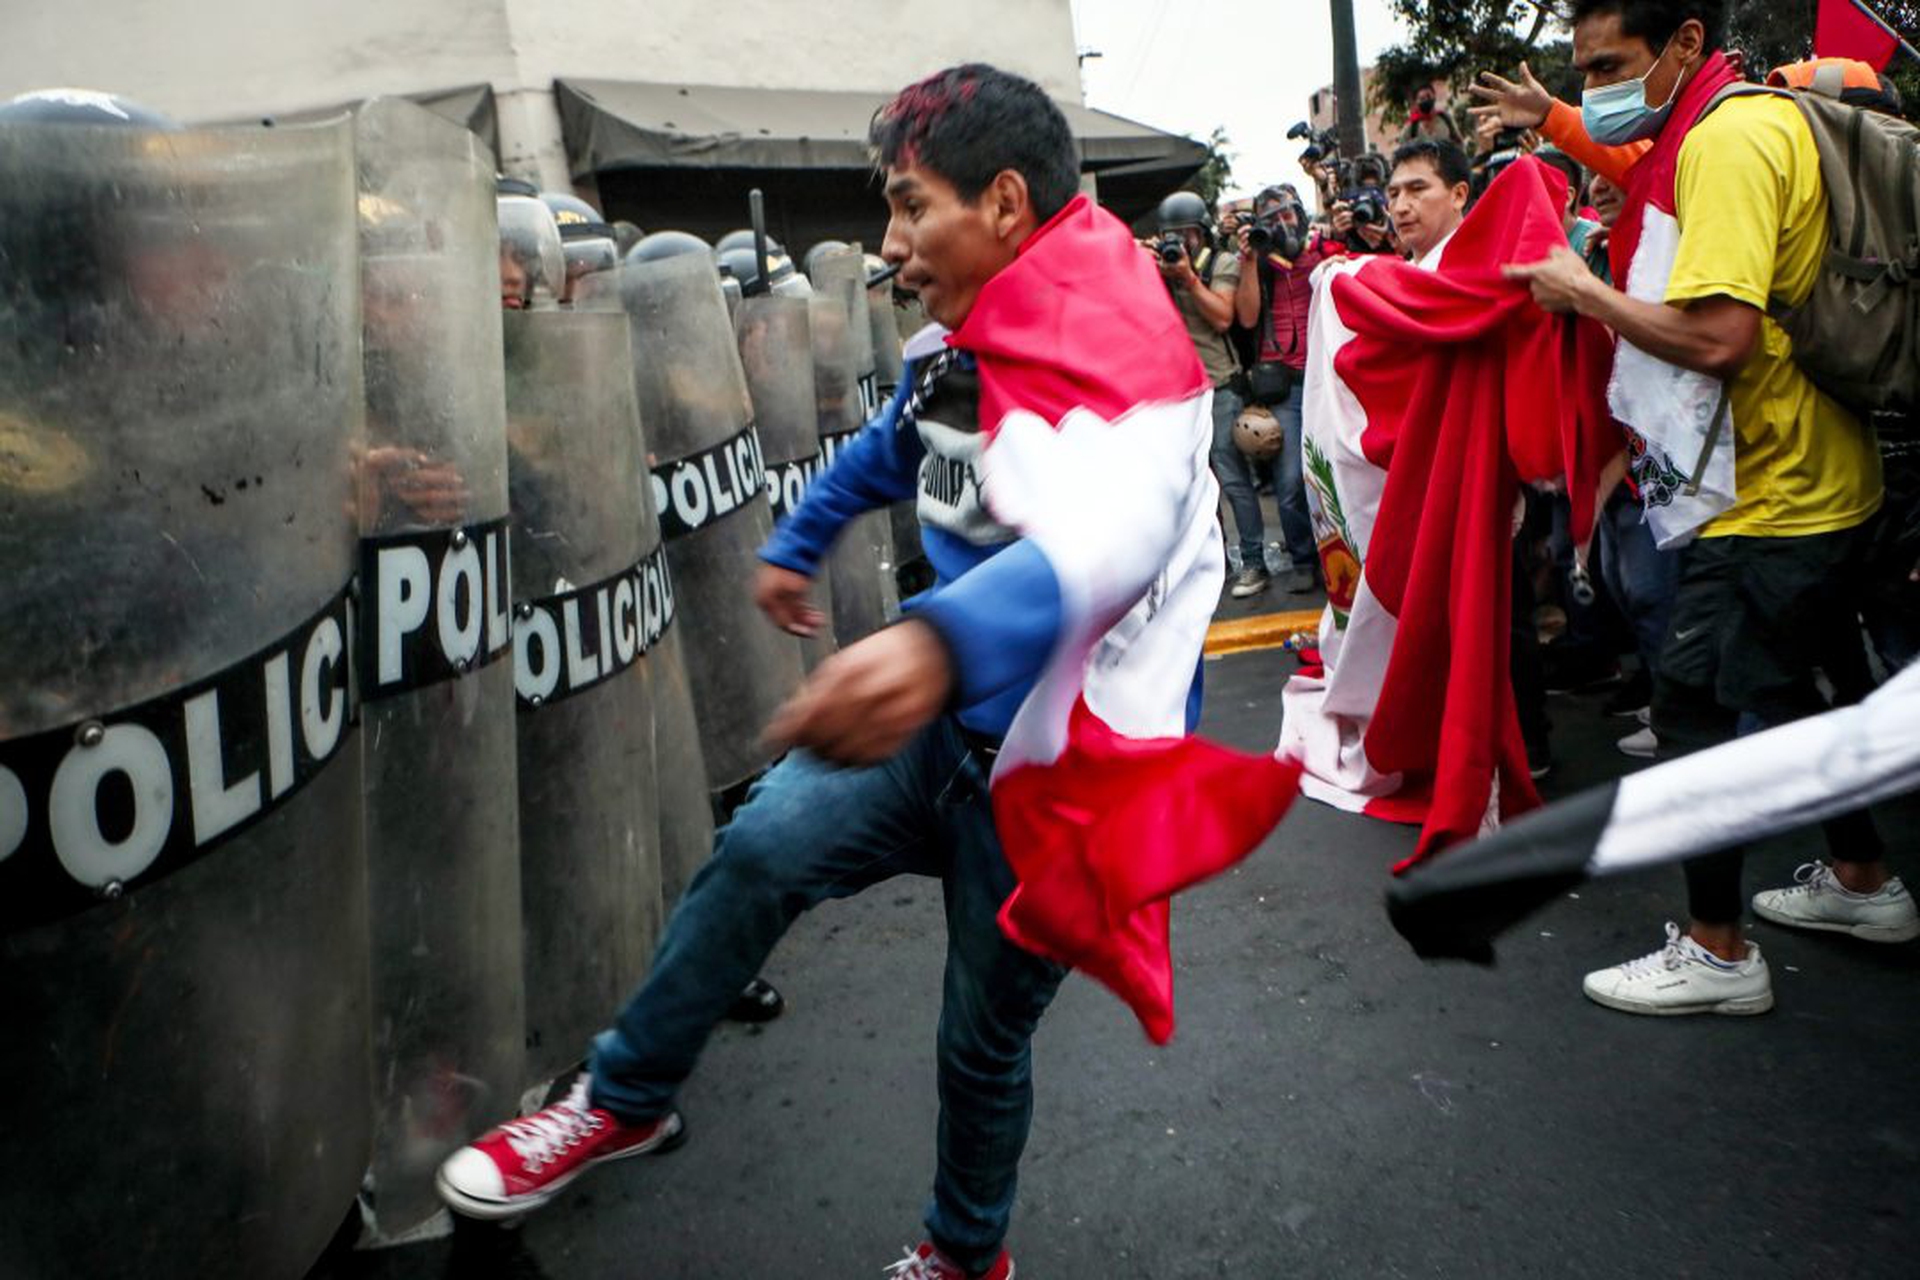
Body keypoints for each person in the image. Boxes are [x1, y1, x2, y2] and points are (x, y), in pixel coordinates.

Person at [439, 63, 1236, 1279]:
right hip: (937, 732)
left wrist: (933, 641)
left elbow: (1116, 534)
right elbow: (887, 447)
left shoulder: (1131, 349)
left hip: (1055, 782)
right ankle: (625, 1095)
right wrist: (797, 541)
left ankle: (964, 1255)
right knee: (758, 846)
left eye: (912, 206)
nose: (891, 243)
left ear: (1004, 202)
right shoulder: (956, 342)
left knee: (979, 1043)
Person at [1504, 0, 1913, 1017]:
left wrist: (1584, 292)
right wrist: (1559, 116)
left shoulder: (1726, 143)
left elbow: (1720, 338)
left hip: (1768, 496)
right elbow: (1640, 173)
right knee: (1802, 695)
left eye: (1611, 66)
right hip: (1824, 478)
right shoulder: (1736, 120)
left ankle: (1718, 950)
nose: (1597, 88)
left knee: (1690, 710)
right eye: (1585, 69)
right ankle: (1865, 882)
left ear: (1687, 43)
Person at [1234, 184, 1337, 594]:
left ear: (1300, 214)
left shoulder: (1322, 249)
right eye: (1271, 219)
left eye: (1287, 215)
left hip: (1329, 378)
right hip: (1285, 386)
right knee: (1291, 481)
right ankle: (1303, 559)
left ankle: (1348, 557)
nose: (1281, 225)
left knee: (1338, 470)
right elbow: (1246, 318)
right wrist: (1249, 260)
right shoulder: (1259, 262)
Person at [1147, 193, 1252, 593]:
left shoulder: (1220, 263)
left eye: (1187, 234)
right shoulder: (1156, 267)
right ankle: (1214, 562)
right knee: (1193, 486)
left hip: (1219, 385)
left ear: (1203, 232)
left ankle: (1253, 561)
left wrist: (1188, 278)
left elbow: (1224, 317)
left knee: (1232, 479)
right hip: (1176, 393)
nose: (1180, 244)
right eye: (1171, 236)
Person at [1385, 137, 1471, 267]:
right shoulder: (1390, 276)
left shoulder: (1485, 270)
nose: (1400, 208)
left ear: (1458, 195)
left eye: (1417, 189)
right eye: (1394, 194)